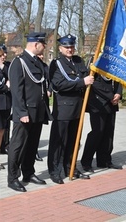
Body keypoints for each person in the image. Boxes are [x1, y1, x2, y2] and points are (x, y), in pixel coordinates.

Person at [7, 32, 52, 192]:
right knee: (18, 145)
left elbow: (43, 83)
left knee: (32, 145)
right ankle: (12, 177)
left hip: (38, 111)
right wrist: (21, 112)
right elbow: (16, 91)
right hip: (25, 113)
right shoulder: (19, 62)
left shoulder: (37, 62)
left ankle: (28, 172)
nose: (44, 47)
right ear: (35, 44)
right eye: (43, 44)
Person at [47, 34, 94, 184]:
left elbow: (87, 77)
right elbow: (59, 84)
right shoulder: (56, 64)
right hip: (63, 109)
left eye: (71, 47)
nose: (69, 49)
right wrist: (82, 82)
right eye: (66, 47)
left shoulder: (78, 61)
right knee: (59, 141)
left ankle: (70, 167)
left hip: (77, 108)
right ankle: (55, 171)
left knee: (74, 141)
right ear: (60, 48)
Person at [81, 68, 123, 172]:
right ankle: (86, 162)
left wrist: (118, 93)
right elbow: (93, 82)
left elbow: (119, 79)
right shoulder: (96, 60)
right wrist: (110, 95)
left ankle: (104, 161)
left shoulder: (114, 62)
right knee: (97, 133)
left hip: (111, 103)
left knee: (108, 133)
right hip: (98, 104)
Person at [35, 53, 51, 162]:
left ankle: (35, 149)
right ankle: (33, 151)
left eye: (42, 55)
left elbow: (51, 81)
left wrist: (49, 90)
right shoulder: (32, 66)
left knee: (38, 128)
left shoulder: (45, 67)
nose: (41, 56)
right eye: (39, 55)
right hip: (34, 102)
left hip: (43, 102)